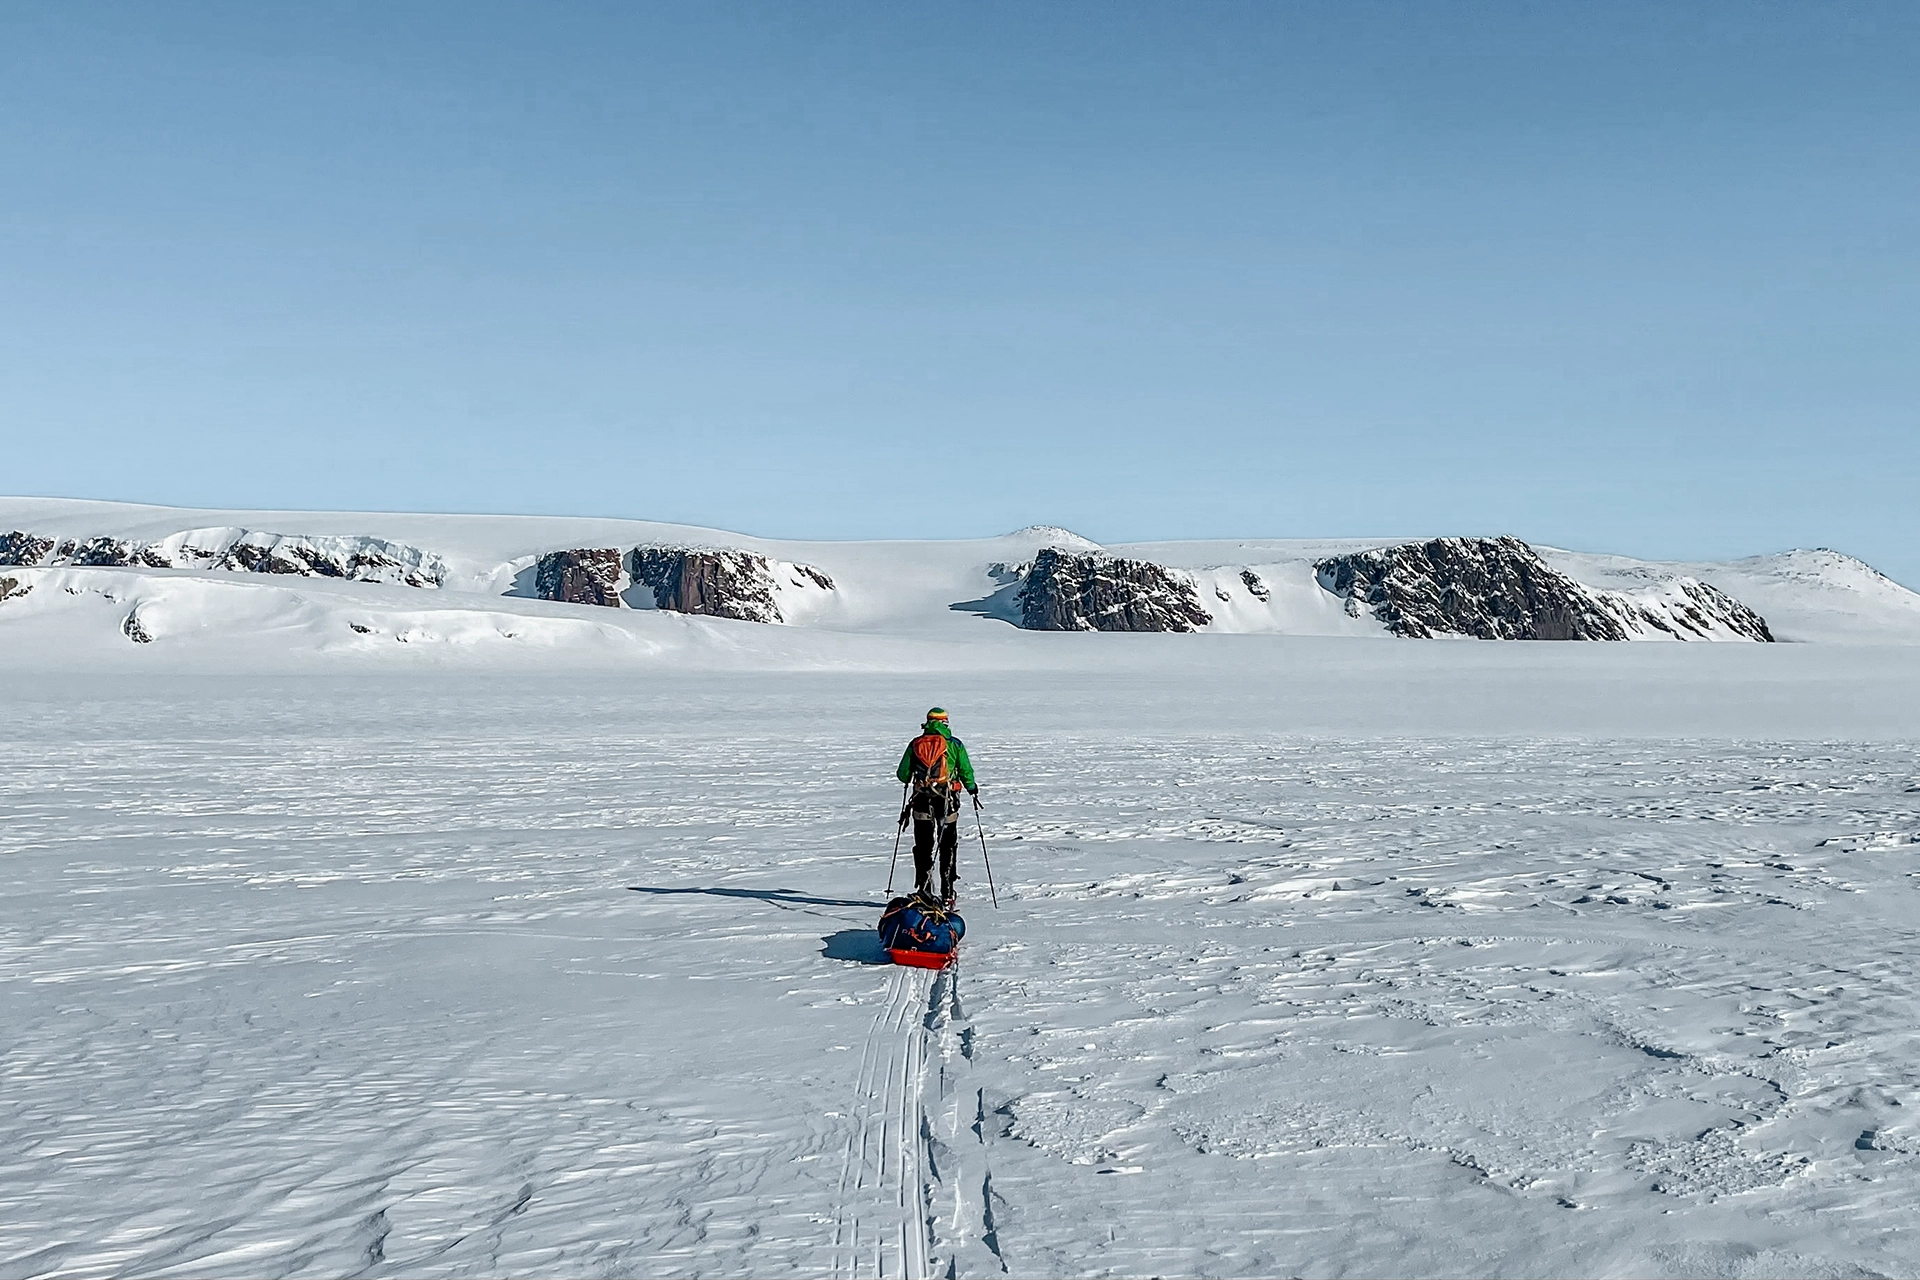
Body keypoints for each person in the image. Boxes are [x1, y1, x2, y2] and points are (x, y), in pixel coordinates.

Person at [896, 707, 978, 905]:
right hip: (947, 800)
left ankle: (924, 888)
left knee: (924, 845)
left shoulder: (915, 744)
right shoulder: (954, 744)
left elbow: (902, 774)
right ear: (945, 722)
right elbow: (966, 770)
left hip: (922, 801)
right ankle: (948, 891)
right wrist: (972, 788)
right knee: (948, 844)